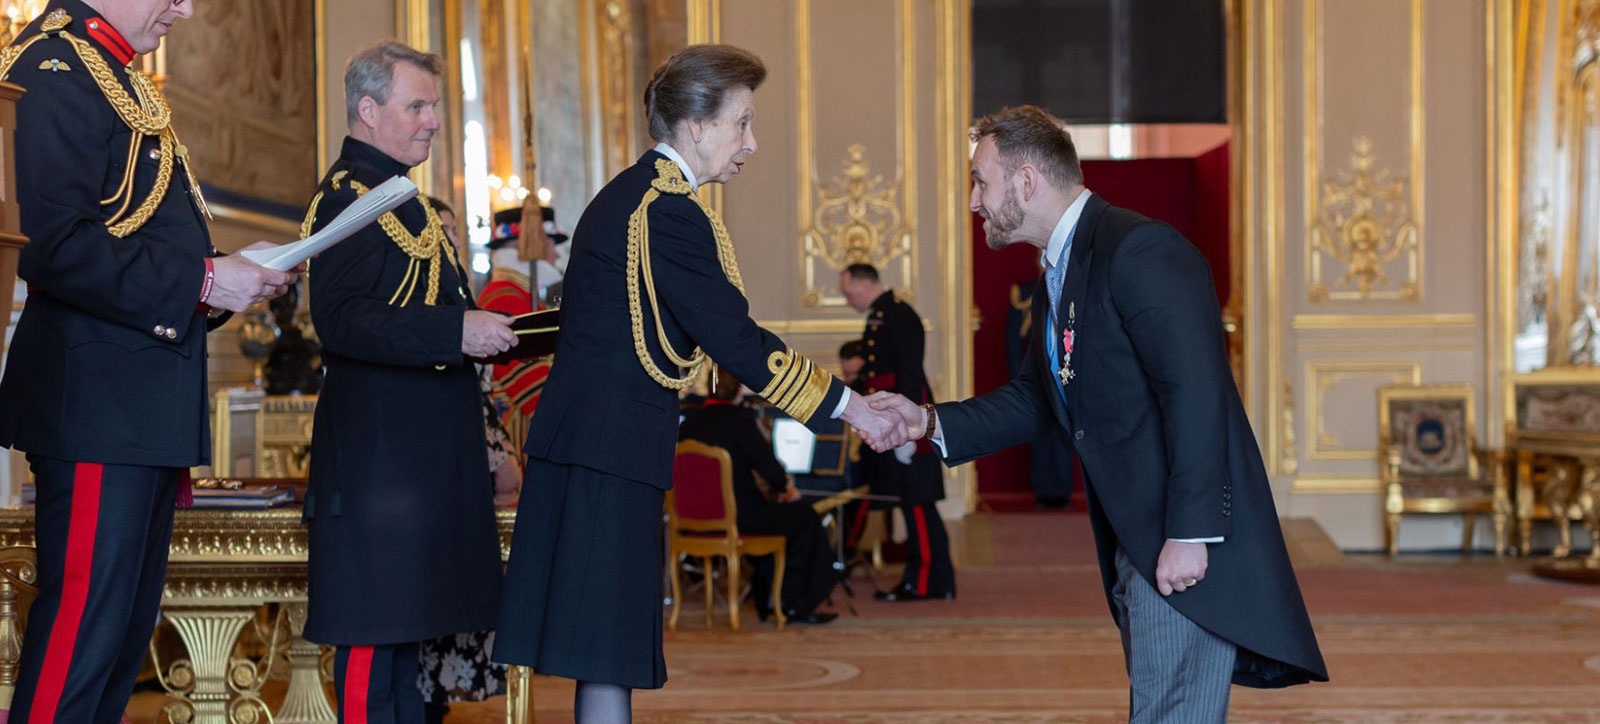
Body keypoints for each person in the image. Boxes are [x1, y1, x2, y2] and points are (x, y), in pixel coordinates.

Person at [870, 105, 1328, 722]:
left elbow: (1197, 393)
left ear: (1027, 181)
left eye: (981, 181)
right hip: (1136, 540)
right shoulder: (1062, 272)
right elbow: (1038, 399)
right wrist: (926, 422)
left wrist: (1189, 535)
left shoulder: (1139, 249)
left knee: (1170, 714)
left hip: (1178, 542)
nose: (974, 201)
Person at [494, 44, 904, 723]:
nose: (752, 142)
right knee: (605, 652)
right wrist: (852, 407)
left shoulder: (637, 197)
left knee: (604, 654)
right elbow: (736, 340)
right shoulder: (668, 211)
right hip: (607, 455)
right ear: (695, 124)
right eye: (742, 122)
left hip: (596, 448)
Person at [0, 1, 299, 720]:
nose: (185, 8)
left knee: (120, 638)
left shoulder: (110, 71)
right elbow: (53, 245)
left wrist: (227, 272)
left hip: (135, 399)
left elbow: (141, 242)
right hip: (98, 401)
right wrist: (203, 278)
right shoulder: (53, 66)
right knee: (83, 638)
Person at [301, 42, 510, 724]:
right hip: (378, 471)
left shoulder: (400, 196)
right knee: (375, 649)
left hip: (419, 471)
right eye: (416, 106)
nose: (432, 122)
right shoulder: (348, 198)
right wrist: (456, 333)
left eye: (435, 107)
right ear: (368, 110)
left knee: (412, 665)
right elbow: (340, 319)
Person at [678, 367, 839, 625]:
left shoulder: (688, 424)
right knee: (806, 518)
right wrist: (786, 489)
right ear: (740, 390)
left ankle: (769, 597)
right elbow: (772, 473)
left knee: (783, 520)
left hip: (690, 521)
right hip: (741, 517)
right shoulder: (740, 422)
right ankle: (794, 604)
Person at [840, 263, 955, 601]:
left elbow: (908, 376)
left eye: (848, 293)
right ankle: (935, 581)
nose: (847, 301)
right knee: (913, 504)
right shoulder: (882, 315)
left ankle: (924, 584)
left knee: (917, 504)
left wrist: (910, 429)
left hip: (910, 425)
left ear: (863, 284)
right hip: (896, 422)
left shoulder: (898, 315)